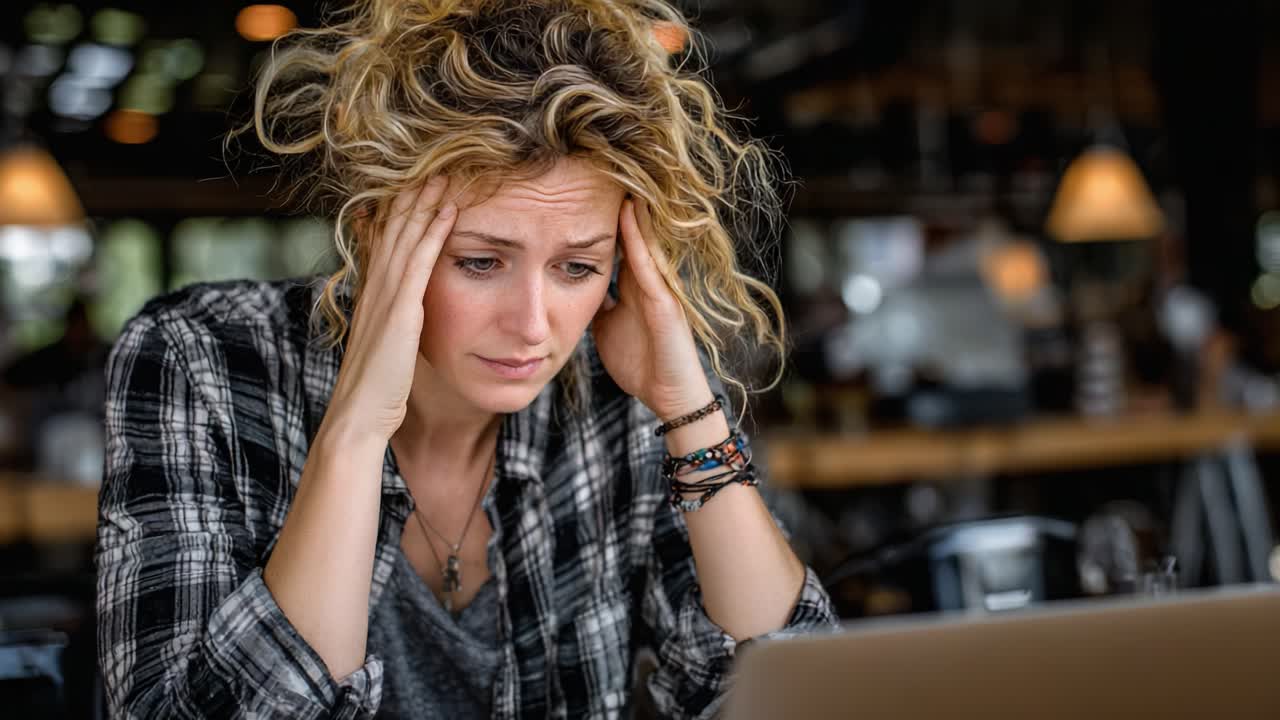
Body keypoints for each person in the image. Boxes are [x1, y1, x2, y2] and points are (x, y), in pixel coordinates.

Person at [95, 1, 838, 718]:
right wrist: (355, 435)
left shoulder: (622, 402)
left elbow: (798, 700)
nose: (532, 324)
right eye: (481, 262)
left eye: (578, 268)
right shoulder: (200, 359)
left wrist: (687, 407)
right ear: (377, 232)